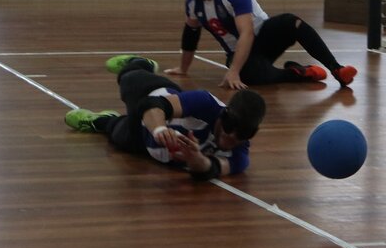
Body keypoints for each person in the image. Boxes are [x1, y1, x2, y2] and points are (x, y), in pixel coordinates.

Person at [166, 0, 358, 91]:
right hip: (238, 51)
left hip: (263, 36)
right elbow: (190, 36)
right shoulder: (193, 4)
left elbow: (247, 33)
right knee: (247, 76)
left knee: (292, 22)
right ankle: (297, 73)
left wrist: (233, 71)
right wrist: (183, 69)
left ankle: (337, 69)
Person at [64, 55, 266, 180]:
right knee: (128, 78)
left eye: (241, 136)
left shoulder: (240, 156)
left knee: (114, 132)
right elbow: (152, 105)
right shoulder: (205, 103)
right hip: (153, 95)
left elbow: (210, 170)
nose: (230, 139)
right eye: (230, 130)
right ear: (223, 116)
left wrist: (197, 160)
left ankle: (101, 120)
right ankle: (139, 63)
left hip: (145, 144)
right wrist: (160, 130)